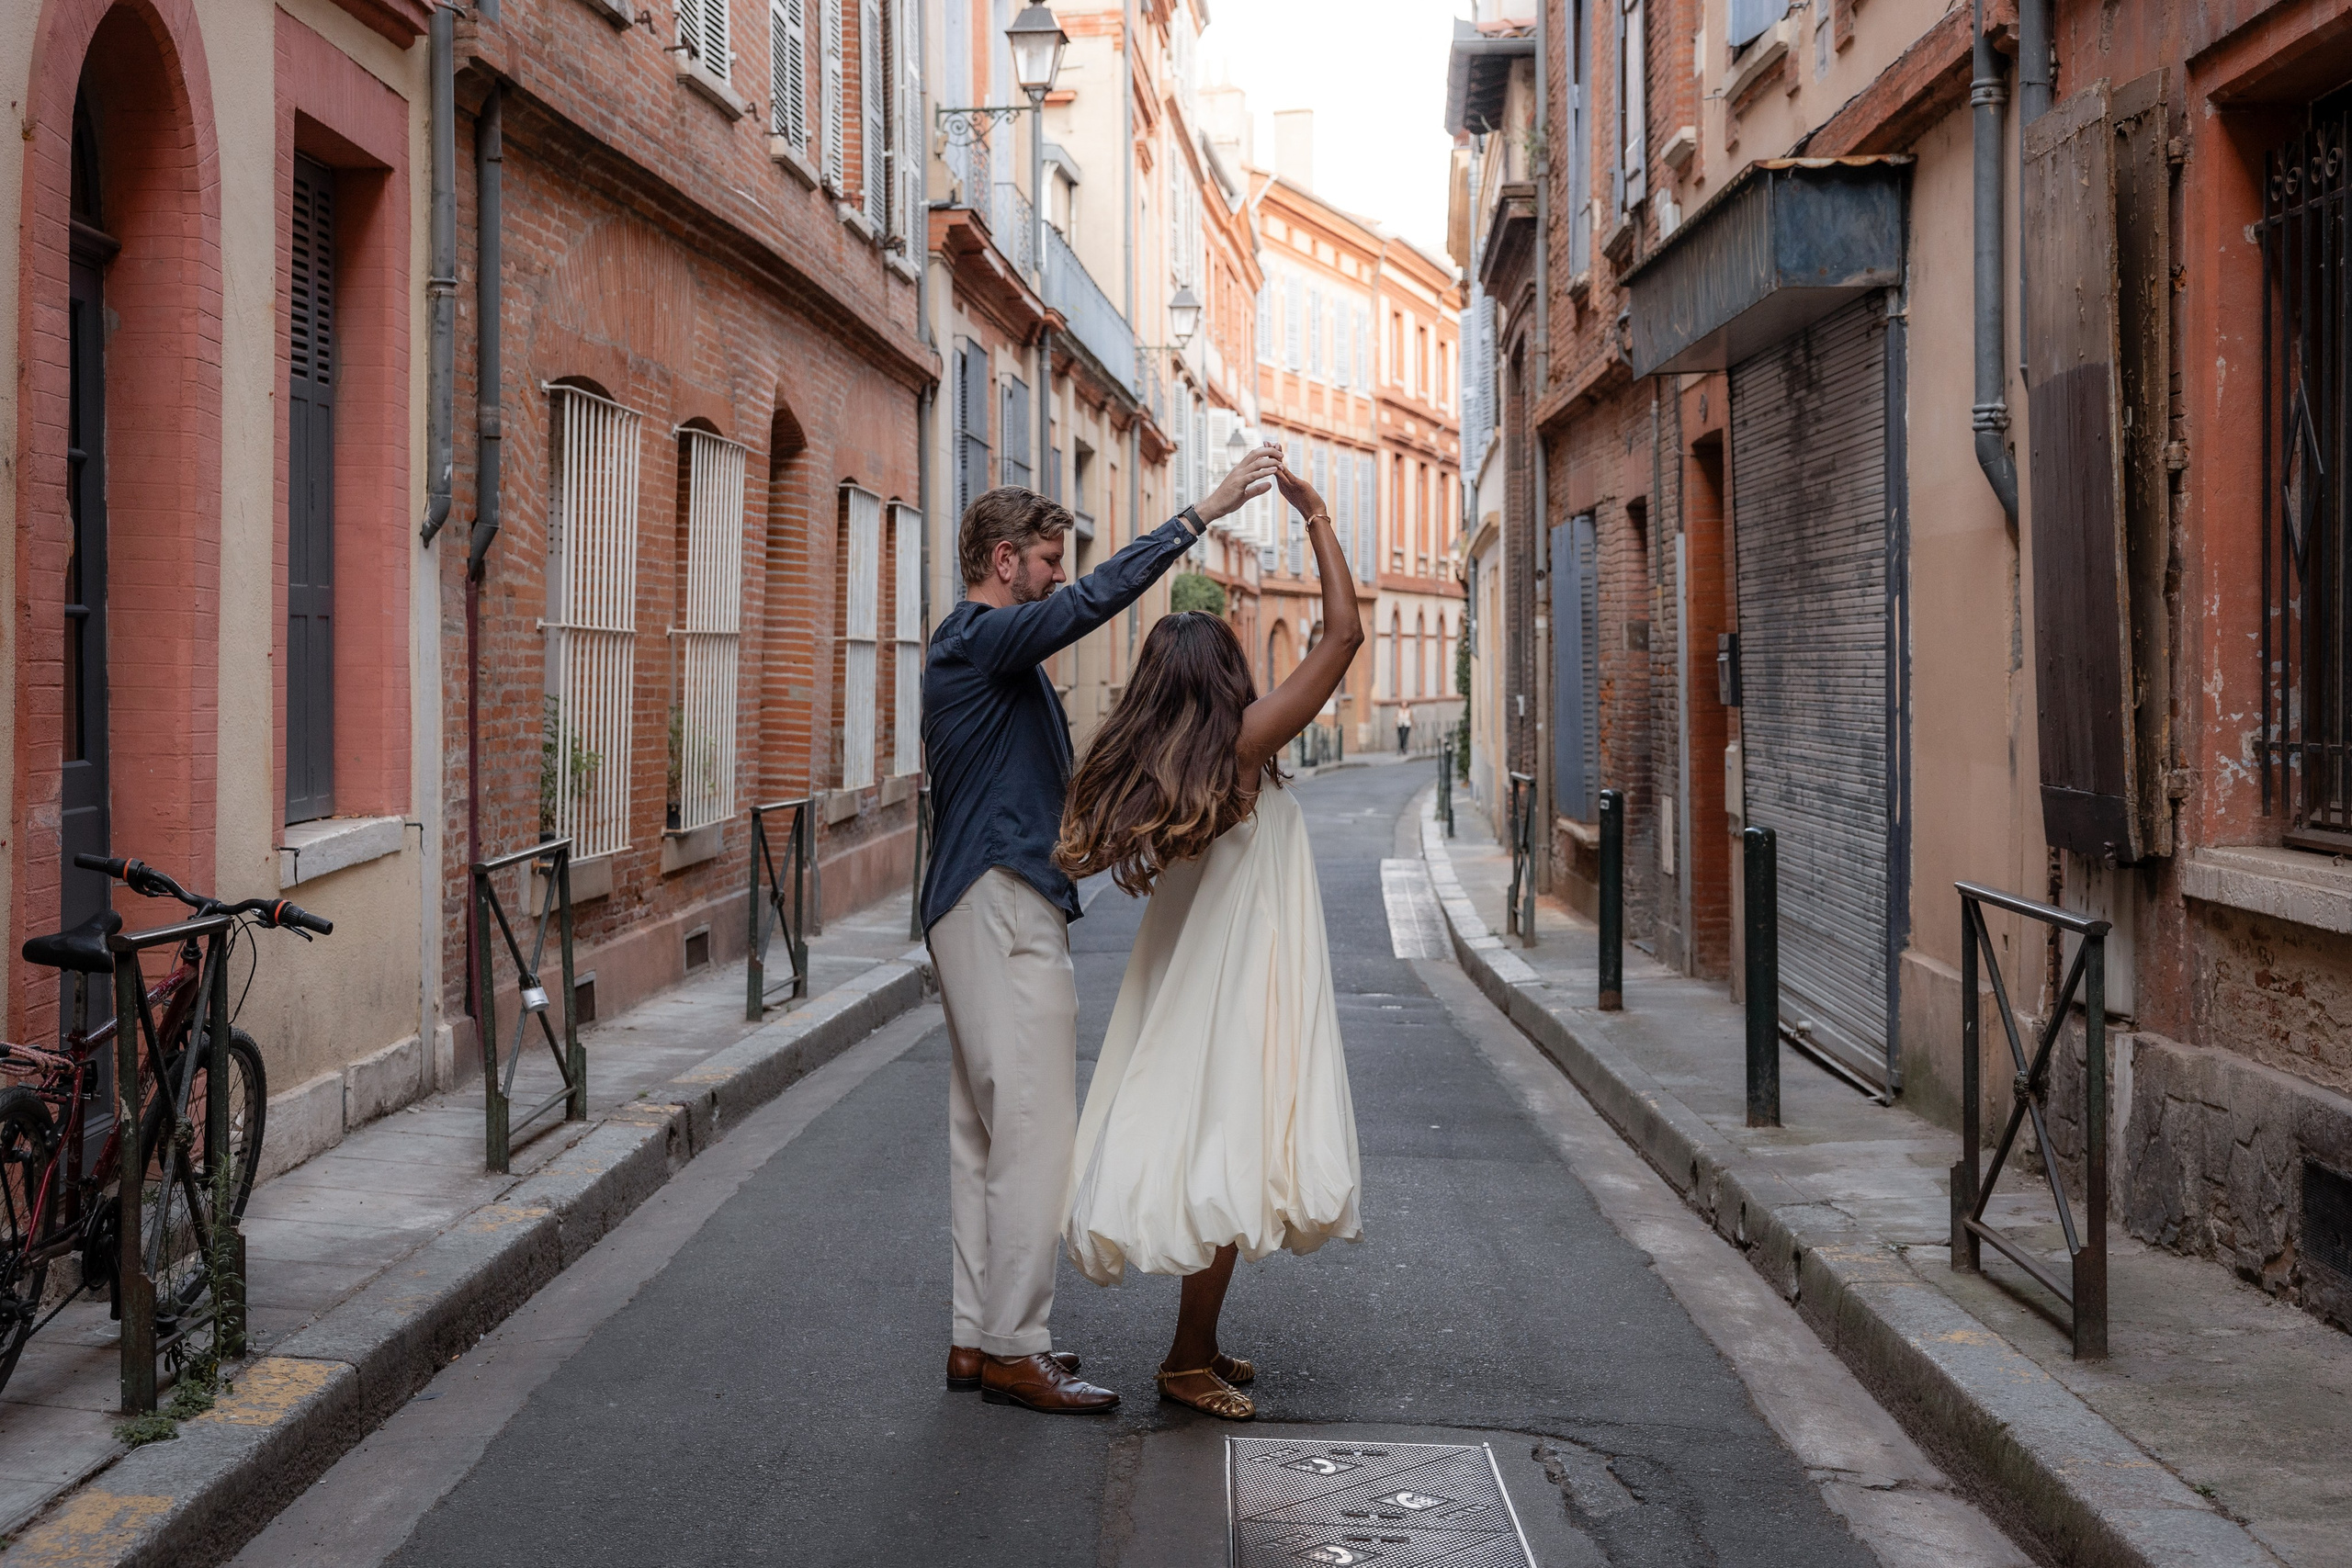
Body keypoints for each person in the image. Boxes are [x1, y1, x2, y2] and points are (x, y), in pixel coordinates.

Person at [921, 450, 1283, 1416]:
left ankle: (976, 1336)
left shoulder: (983, 659)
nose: (1053, 580)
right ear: (1005, 561)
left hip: (976, 900)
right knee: (1034, 1132)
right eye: (1044, 561)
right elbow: (1088, 605)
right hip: (996, 903)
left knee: (983, 1136)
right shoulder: (976, 638)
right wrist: (1195, 517)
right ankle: (1015, 1347)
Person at [1054, 459, 1365, 1422]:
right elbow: (1344, 633)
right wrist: (1313, 517)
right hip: (1244, 977)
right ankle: (1184, 1361)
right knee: (1228, 1156)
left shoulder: (1165, 761)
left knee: (1212, 1149)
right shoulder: (1243, 745)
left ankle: (1201, 1343)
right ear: (1225, 675)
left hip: (1191, 978)